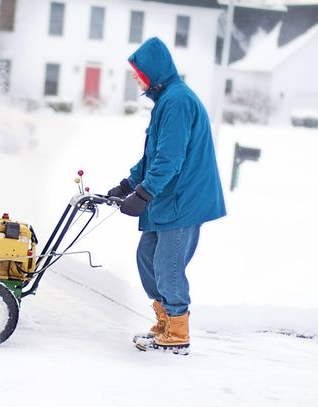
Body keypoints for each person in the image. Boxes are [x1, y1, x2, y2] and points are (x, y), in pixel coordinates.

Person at [107, 37, 226, 353]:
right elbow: (155, 154)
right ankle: (164, 320)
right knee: (147, 257)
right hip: (169, 195)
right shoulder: (167, 100)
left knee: (167, 264)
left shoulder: (177, 102)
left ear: (153, 71)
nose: (135, 77)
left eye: (138, 71)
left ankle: (177, 333)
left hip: (184, 199)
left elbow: (170, 158)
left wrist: (144, 193)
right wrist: (128, 183)